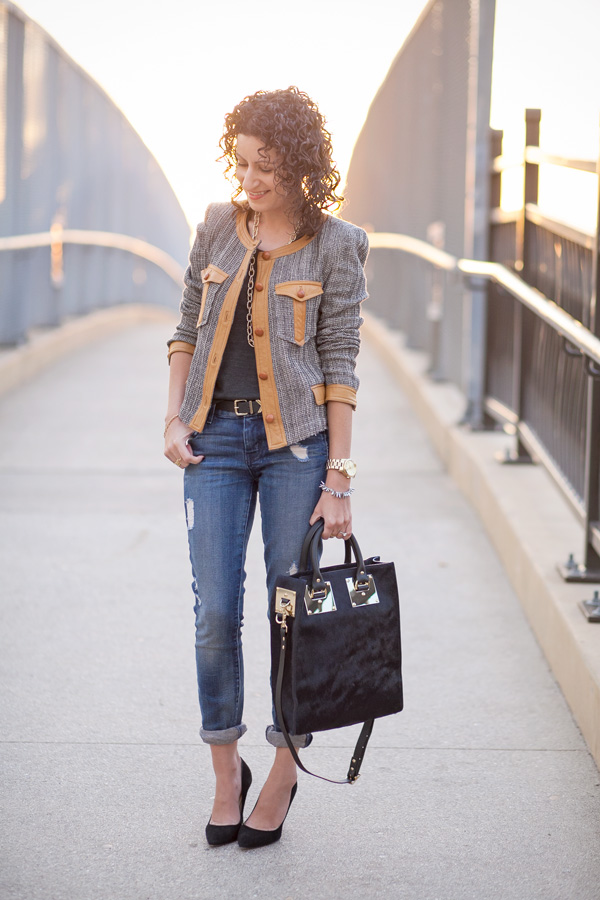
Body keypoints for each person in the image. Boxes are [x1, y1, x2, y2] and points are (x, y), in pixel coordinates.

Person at [163, 87, 368, 848]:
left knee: (295, 617)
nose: (248, 180)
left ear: (302, 167)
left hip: (298, 450)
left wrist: (340, 476)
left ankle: (282, 773)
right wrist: (175, 415)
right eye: (242, 163)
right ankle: (226, 774)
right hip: (214, 443)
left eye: (266, 168)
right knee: (215, 611)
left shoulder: (337, 244)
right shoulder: (217, 226)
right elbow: (186, 325)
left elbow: (340, 361)